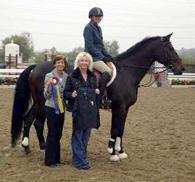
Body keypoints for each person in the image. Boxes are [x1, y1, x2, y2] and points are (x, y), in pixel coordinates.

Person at [64, 52, 100, 170]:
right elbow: (66, 93)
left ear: (89, 63)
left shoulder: (92, 76)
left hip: (90, 109)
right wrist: (71, 94)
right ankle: (78, 161)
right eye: (81, 61)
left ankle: (82, 156)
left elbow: (94, 90)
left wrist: (97, 91)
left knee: (86, 134)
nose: (84, 63)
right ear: (78, 62)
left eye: (86, 61)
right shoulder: (72, 76)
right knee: (78, 134)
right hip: (78, 109)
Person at [83, 7, 112, 107]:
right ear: (91, 16)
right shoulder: (88, 28)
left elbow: (101, 46)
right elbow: (90, 47)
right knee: (108, 71)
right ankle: (100, 99)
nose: (98, 18)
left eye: (100, 16)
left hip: (99, 56)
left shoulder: (99, 28)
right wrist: (103, 58)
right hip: (91, 57)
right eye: (96, 16)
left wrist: (108, 56)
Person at [44, 55, 68, 168]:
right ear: (55, 64)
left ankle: (57, 159)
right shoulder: (49, 76)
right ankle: (49, 160)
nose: (60, 64)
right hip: (51, 108)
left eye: (62, 63)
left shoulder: (66, 76)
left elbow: (66, 93)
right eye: (58, 62)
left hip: (61, 108)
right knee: (52, 133)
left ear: (64, 64)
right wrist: (48, 86)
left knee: (59, 134)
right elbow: (46, 96)